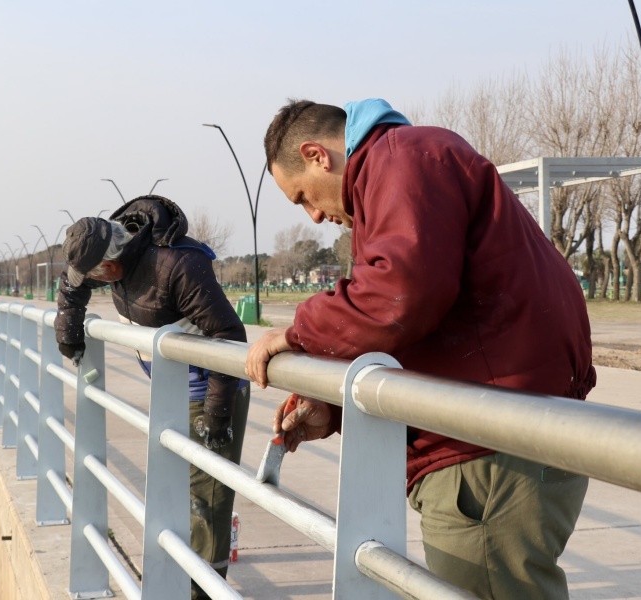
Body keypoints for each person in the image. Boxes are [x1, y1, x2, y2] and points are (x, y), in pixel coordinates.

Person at [245, 98, 597, 600]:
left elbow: (400, 296)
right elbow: (428, 323)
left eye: (303, 196)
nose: (315, 216)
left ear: (317, 154)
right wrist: (336, 408)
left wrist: (296, 331)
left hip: (487, 448)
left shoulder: (399, 160)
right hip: (501, 430)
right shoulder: (404, 166)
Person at [54, 195, 249, 600]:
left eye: (94, 275)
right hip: (167, 386)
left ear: (110, 266)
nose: (90, 281)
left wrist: (216, 414)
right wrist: (68, 330)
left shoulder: (178, 265)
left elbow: (230, 336)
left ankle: (203, 590)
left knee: (204, 498)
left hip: (210, 388)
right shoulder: (111, 254)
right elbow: (70, 286)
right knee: (178, 489)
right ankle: (190, 565)